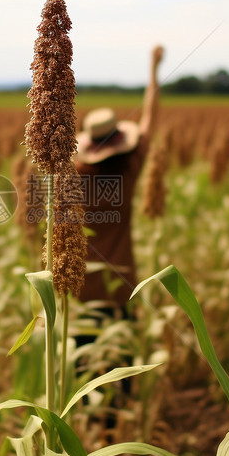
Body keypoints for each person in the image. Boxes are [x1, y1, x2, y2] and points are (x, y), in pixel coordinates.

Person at [74, 45, 164, 321]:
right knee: (122, 358)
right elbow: (149, 118)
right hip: (120, 284)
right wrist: (154, 68)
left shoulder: (74, 175)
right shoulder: (130, 169)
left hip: (79, 287)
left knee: (82, 359)